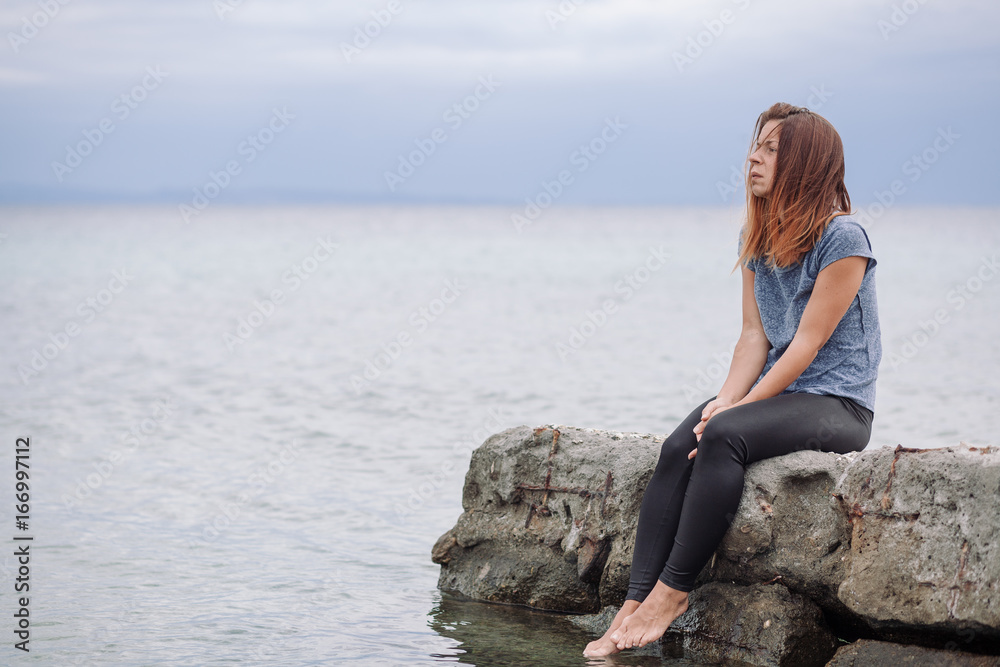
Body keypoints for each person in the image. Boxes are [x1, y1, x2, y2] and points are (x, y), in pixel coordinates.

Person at [583, 102, 882, 657]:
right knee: (683, 442)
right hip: (782, 391)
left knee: (725, 435)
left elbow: (808, 344)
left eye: (772, 149)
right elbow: (754, 337)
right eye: (756, 145)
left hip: (838, 404)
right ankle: (634, 601)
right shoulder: (759, 234)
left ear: (806, 163)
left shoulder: (845, 238)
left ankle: (673, 594)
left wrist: (735, 413)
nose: (754, 157)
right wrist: (724, 399)